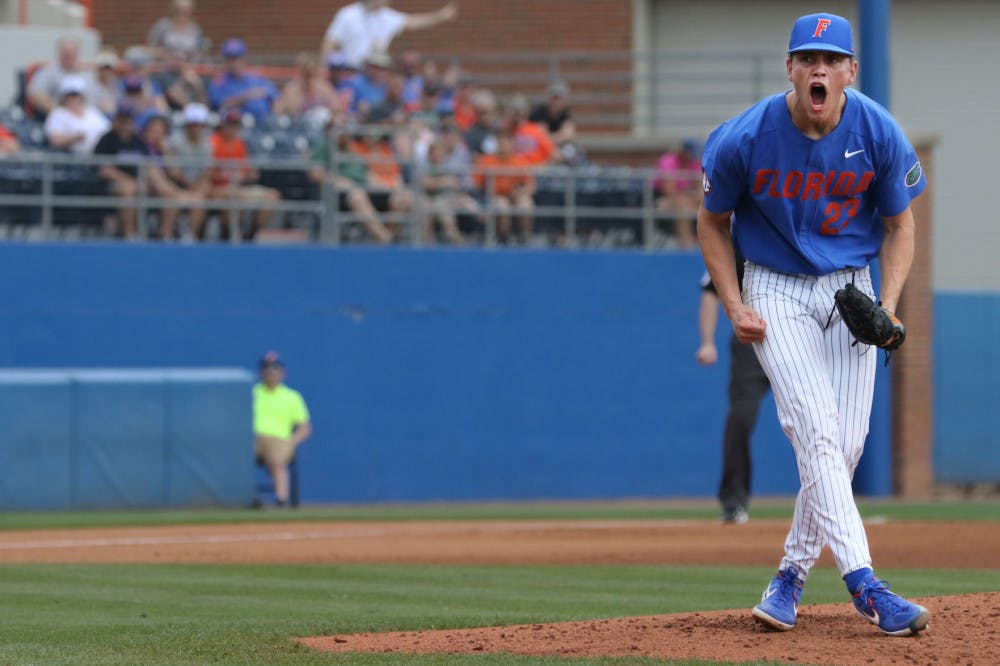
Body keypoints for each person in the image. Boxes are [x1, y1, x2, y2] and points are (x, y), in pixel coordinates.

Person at [696, 12, 930, 636]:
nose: (817, 67)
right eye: (806, 57)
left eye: (830, 58)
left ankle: (789, 578)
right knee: (816, 433)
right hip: (774, 287)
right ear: (791, 69)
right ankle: (868, 587)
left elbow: (900, 224)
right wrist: (734, 300)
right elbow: (711, 220)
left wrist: (889, 301)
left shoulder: (877, 129)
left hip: (851, 288)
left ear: (850, 71)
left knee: (844, 447)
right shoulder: (747, 136)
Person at [695, 254, 770, 524]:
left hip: (803, 340)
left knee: (814, 421)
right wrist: (707, 341)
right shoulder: (739, 241)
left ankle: (828, 498)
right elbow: (711, 290)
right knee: (740, 418)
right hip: (752, 344)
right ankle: (733, 502)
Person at [209, 108, 282, 240]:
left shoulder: (238, 144)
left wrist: (248, 174)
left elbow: (245, 171)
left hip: (237, 187)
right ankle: (227, 234)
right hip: (215, 188)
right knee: (235, 197)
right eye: (230, 124)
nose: (233, 128)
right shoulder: (213, 142)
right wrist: (231, 176)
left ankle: (251, 234)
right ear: (222, 125)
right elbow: (208, 173)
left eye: (236, 125)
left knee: (272, 196)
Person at [320, 0, 458, 70]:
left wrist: (441, 16)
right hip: (350, 72)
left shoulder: (388, 16)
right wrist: (323, 67)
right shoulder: (347, 14)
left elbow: (413, 22)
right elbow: (330, 42)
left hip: (376, 72)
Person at [253, 351, 311, 508]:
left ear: (282, 372)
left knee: (277, 460)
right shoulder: (253, 394)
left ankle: (280, 500)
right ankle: (246, 498)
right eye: (267, 369)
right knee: (235, 459)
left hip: (279, 440)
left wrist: (292, 441)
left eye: (274, 368)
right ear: (261, 372)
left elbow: (305, 426)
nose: (271, 373)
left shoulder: (292, 397)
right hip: (253, 439)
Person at [473, 129, 535, 243]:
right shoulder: (486, 161)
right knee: (502, 205)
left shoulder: (520, 161)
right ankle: (503, 238)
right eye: (500, 142)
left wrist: (519, 193)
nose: (503, 145)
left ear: (512, 144)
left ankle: (525, 237)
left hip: (515, 196)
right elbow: (475, 185)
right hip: (493, 197)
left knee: (526, 204)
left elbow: (531, 186)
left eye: (506, 142)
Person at [27, 37, 98, 119]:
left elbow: (94, 96)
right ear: (59, 52)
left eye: (71, 53)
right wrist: (60, 112)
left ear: (77, 53)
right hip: (59, 118)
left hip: (87, 117)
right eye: (65, 52)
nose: (68, 55)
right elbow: (35, 93)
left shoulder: (86, 73)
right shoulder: (49, 71)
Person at [208, 39, 279, 122]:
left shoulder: (256, 77)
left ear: (244, 59)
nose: (233, 63)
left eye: (236, 58)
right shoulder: (219, 81)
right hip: (237, 125)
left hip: (265, 123)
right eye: (229, 59)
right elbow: (220, 104)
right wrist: (247, 96)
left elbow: (275, 97)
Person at [43, 75, 111, 155]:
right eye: (70, 95)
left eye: (77, 95)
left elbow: (108, 130)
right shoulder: (58, 114)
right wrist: (74, 138)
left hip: (99, 155)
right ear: (64, 97)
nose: (74, 98)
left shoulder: (92, 111)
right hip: (73, 160)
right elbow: (54, 140)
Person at [655, 139, 701, 248]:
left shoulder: (695, 162)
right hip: (661, 200)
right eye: (689, 153)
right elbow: (669, 191)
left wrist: (695, 197)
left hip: (688, 199)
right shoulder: (668, 161)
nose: (691, 157)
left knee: (709, 206)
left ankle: (707, 244)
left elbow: (701, 190)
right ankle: (686, 246)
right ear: (682, 152)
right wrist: (691, 196)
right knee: (683, 208)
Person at [273, 53, 340, 118]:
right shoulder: (292, 89)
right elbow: (277, 109)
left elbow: (337, 108)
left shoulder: (324, 87)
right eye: (306, 74)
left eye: (311, 74)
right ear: (300, 72)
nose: (309, 79)